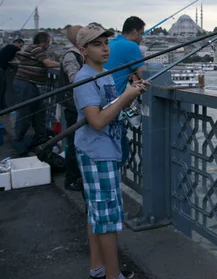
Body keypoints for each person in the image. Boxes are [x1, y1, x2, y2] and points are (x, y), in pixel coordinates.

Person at [73, 24, 149, 279]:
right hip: (97, 153)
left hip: (105, 149)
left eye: (106, 42)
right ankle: (112, 275)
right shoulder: (85, 78)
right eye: (97, 44)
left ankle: (98, 268)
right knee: (106, 218)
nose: (105, 48)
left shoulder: (104, 73)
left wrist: (132, 92)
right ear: (82, 50)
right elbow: (96, 121)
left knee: (98, 212)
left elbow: (112, 107)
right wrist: (126, 98)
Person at [104, 17, 146, 164]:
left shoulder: (111, 43)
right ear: (134, 32)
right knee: (120, 154)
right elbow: (145, 75)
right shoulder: (131, 46)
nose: (142, 38)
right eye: (141, 33)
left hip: (99, 102)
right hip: (113, 106)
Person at [13, 32, 60, 156]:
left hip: (30, 85)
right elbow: (48, 63)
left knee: (39, 112)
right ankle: (19, 144)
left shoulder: (31, 48)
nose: (49, 44)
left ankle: (39, 140)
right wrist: (63, 64)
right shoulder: (37, 49)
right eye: (49, 41)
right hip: (26, 84)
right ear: (44, 41)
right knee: (25, 114)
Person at [59, 25, 84, 191]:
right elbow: (76, 79)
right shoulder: (71, 55)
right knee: (74, 143)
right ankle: (72, 179)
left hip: (77, 105)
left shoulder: (76, 55)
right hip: (73, 106)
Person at [0, 38, 24, 109]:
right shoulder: (13, 47)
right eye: (21, 46)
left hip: (2, 69)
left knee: (3, 89)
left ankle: (3, 107)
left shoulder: (8, 47)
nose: (20, 48)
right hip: (1, 70)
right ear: (17, 43)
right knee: (2, 89)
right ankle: (3, 107)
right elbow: (21, 55)